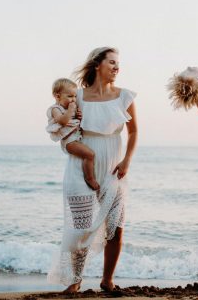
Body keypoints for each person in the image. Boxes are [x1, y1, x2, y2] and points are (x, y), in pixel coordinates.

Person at [47, 47, 138, 293]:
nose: (117, 67)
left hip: (112, 166)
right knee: (80, 228)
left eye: (118, 63)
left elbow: (134, 132)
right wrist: (69, 145)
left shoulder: (125, 96)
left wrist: (127, 160)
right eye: (112, 62)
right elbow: (59, 123)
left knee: (116, 227)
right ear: (97, 65)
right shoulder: (77, 96)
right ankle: (75, 281)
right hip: (81, 166)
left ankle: (107, 280)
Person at [46, 78, 100, 191]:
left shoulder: (69, 108)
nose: (73, 99)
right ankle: (89, 178)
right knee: (89, 155)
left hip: (76, 137)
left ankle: (87, 175)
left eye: (75, 96)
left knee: (90, 154)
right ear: (57, 96)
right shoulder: (55, 109)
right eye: (69, 96)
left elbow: (74, 121)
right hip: (69, 142)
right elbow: (63, 121)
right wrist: (71, 110)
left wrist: (78, 116)